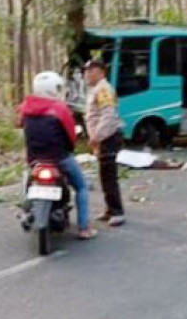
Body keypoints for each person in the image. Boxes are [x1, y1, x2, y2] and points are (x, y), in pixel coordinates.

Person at [18, 71, 96, 240]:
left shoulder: (25, 108)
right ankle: (84, 228)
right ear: (53, 89)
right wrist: (70, 148)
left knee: (26, 179)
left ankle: (27, 207)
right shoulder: (60, 109)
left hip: (35, 160)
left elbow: (22, 128)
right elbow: (71, 136)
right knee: (81, 187)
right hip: (60, 158)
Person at [84, 60, 126, 227]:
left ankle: (117, 212)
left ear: (101, 72)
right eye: (86, 72)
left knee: (109, 177)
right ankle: (110, 209)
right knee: (104, 176)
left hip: (107, 137)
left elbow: (108, 116)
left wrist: (97, 137)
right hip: (103, 138)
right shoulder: (96, 90)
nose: (88, 75)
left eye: (91, 71)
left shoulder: (103, 89)